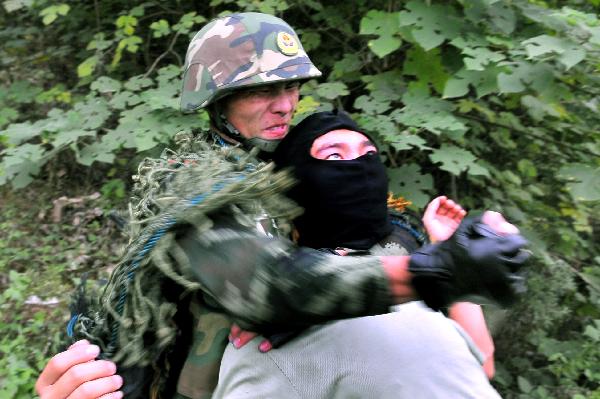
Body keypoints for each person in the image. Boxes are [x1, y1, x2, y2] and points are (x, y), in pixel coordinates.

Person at [35, 12, 528, 399]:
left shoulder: (277, 164)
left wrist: (421, 246)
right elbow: (267, 287)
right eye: (264, 90)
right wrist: (432, 271)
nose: (286, 104)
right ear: (219, 98)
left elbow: (370, 229)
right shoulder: (194, 181)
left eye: (292, 87)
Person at [213, 110, 500, 398]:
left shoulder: (410, 266)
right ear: (296, 182)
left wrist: (443, 247)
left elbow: (481, 364)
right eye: (334, 156)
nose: (360, 165)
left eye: (369, 154)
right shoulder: (278, 316)